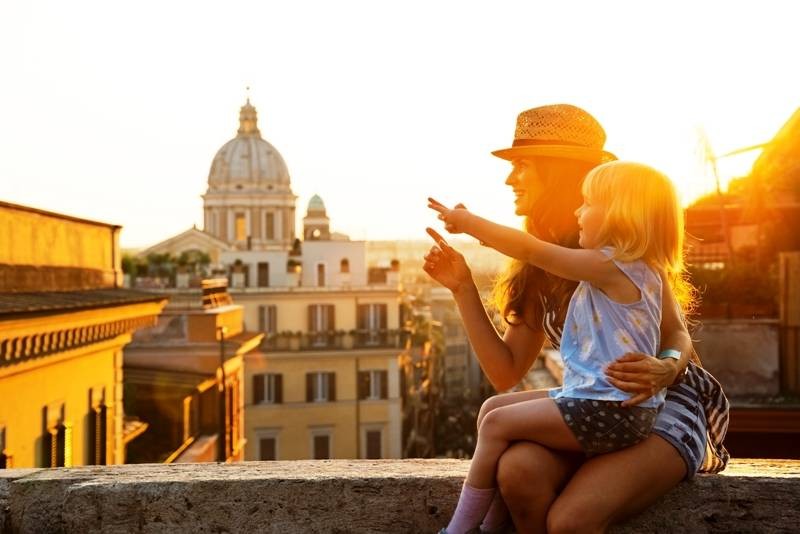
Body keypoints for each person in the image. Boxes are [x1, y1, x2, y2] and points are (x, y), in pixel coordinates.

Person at [422, 104, 729, 534]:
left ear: (560, 174)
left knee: (572, 520)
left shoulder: (621, 257)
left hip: (658, 405)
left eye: (522, 166)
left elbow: (675, 331)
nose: (509, 179)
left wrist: (667, 366)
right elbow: (505, 370)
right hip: (593, 402)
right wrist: (462, 288)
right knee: (517, 472)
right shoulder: (537, 268)